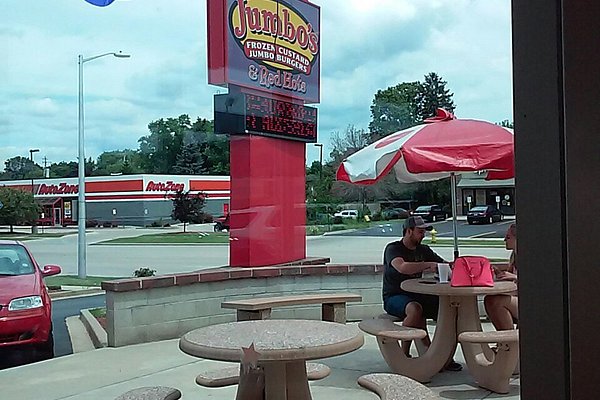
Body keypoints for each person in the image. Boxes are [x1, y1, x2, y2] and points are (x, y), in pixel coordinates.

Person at [382, 216, 462, 372]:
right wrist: (429, 265)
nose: (423, 235)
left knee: (447, 310)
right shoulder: (393, 248)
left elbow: (443, 264)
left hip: (417, 293)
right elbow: (402, 267)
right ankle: (403, 354)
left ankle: (441, 355)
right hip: (394, 296)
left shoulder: (423, 250)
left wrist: (455, 265)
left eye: (424, 231)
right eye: (420, 231)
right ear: (409, 231)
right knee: (415, 309)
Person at [484, 223, 518, 330]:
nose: (504, 240)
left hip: (533, 302)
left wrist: (514, 277)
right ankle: (505, 342)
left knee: (495, 302)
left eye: (508, 237)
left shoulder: (532, 256)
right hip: (516, 297)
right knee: (490, 299)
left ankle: (508, 343)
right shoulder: (514, 256)